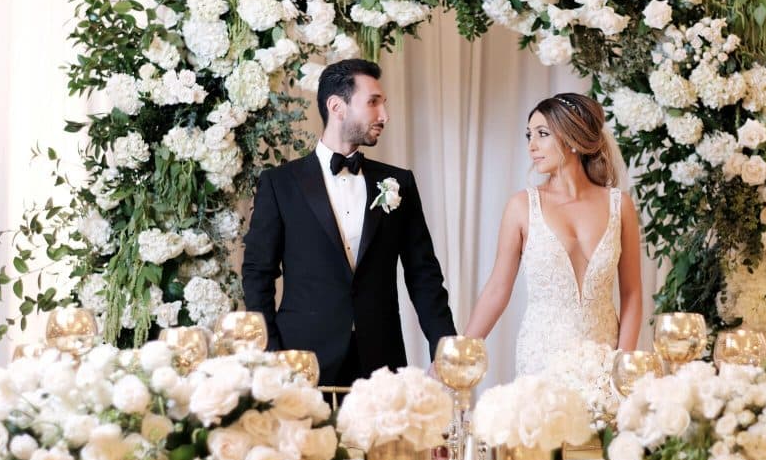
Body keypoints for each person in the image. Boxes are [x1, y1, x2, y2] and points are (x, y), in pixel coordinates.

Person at [241, 58, 457, 387]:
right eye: (373, 102)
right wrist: (270, 353)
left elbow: (423, 275)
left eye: (383, 103)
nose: (384, 115)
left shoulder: (399, 182)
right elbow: (258, 274)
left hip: (381, 363)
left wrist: (445, 351)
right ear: (337, 106)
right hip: (301, 363)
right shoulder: (280, 183)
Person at [463, 92, 642, 376]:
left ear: (572, 138)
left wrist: (624, 363)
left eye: (542, 134)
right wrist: (460, 355)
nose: (531, 146)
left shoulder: (620, 206)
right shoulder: (522, 206)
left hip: (605, 360)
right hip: (541, 361)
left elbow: (632, 294)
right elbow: (497, 289)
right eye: (528, 135)